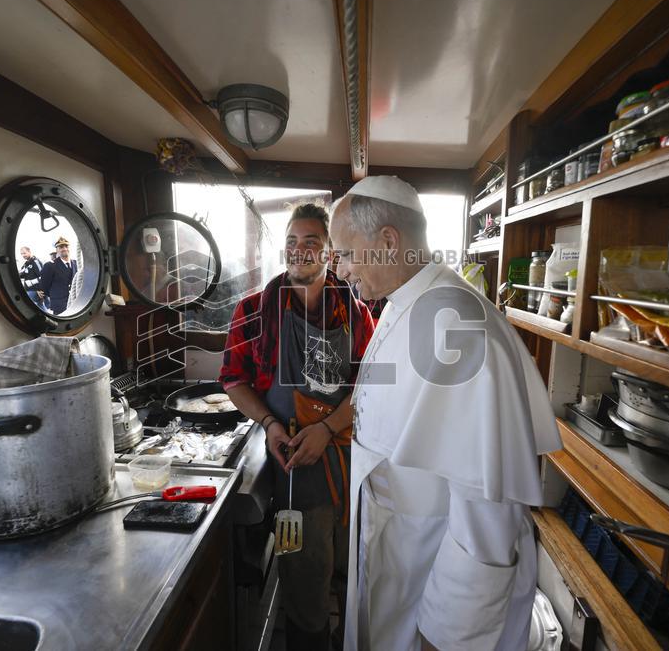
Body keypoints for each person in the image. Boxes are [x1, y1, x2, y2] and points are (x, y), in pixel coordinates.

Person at [329, 176, 562, 651]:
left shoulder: (458, 328)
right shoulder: (405, 302)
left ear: (387, 241)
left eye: (346, 253)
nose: (340, 269)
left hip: (432, 575)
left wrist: (450, 633)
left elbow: (487, 511)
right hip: (397, 545)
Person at [220, 203, 375, 651]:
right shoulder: (254, 310)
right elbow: (233, 379)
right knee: (301, 577)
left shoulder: (356, 313)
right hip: (291, 472)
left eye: (311, 242)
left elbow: (370, 386)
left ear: (329, 253)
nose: (299, 250)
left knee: (352, 571)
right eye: (291, 241)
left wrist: (326, 429)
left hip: (347, 464)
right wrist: (269, 422)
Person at [38, 237, 78, 315]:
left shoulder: (76, 264)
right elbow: (45, 286)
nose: (64, 249)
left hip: (75, 302)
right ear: (57, 250)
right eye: (61, 247)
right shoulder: (50, 265)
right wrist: (56, 295)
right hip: (59, 305)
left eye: (66, 246)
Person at [18, 246, 48, 311]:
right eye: (21, 254)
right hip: (29, 289)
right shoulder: (26, 264)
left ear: (29, 252)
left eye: (24, 253)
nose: (23, 255)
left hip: (34, 290)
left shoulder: (35, 262)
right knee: (40, 306)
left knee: (25, 305)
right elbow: (21, 274)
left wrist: (40, 290)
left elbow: (42, 276)